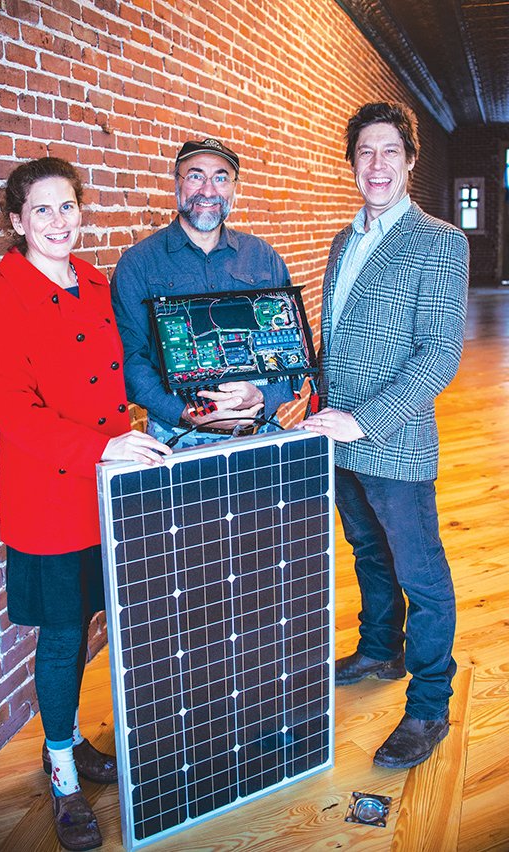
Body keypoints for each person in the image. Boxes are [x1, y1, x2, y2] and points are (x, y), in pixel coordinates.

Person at [0, 157, 171, 851]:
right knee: (62, 638)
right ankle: (60, 770)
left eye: (68, 208)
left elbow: (118, 376)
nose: (59, 222)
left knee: (106, 627)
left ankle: (82, 739)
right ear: (18, 222)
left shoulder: (93, 281)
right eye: (43, 210)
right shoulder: (1, 302)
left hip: (109, 494)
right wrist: (105, 448)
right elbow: (15, 416)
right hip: (50, 500)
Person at [302, 102, 469, 768]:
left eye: (389, 152)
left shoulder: (439, 241)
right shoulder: (346, 239)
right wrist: (311, 395)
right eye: (365, 152)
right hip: (337, 436)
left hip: (392, 440)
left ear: (410, 160)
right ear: (353, 162)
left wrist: (363, 419)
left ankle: (430, 706)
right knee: (367, 551)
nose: (376, 165)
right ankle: (380, 647)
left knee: (421, 575)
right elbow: (336, 338)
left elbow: (438, 355)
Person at [111, 137, 294, 447]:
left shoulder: (263, 258)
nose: (208, 190)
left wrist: (264, 395)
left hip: (260, 433)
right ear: (177, 183)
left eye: (221, 177)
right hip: (177, 437)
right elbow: (129, 358)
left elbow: (292, 345)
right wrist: (184, 411)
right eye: (196, 175)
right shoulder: (138, 264)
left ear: (234, 188)